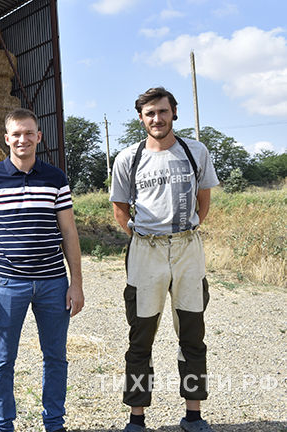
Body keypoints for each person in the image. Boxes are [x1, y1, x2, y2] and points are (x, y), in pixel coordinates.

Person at [110, 87, 219, 432]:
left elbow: (204, 198)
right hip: (146, 251)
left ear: (174, 113)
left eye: (162, 111)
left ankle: (193, 415)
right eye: (149, 113)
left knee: (192, 332)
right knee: (141, 335)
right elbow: (119, 207)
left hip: (188, 248)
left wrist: (190, 228)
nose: (157, 119)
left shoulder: (194, 151)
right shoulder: (129, 157)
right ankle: (137, 417)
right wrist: (143, 236)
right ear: (141, 118)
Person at [0, 108, 84, 432]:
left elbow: (69, 233)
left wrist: (75, 284)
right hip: (8, 284)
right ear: (7, 139)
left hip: (53, 283)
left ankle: (54, 423)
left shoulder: (56, 178)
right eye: (16, 134)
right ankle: (2, 425)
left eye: (28, 133)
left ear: (38, 137)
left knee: (56, 358)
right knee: (3, 360)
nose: (23, 139)